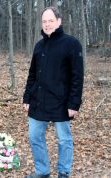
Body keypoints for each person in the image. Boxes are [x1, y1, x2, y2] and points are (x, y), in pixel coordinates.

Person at [23, 6, 84, 178]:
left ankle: (63, 172)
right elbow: (32, 74)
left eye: (51, 20)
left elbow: (77, 77)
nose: (47, 24)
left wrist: (74, 104)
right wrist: (27, 97)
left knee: (64, 140)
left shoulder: (71, 44)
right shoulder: (39, 46)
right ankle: (42, 171)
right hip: (38, 101)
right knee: (35, 137)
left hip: (62, 102)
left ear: (59, 21)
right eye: (44, 21)